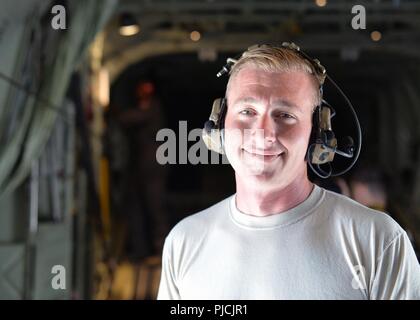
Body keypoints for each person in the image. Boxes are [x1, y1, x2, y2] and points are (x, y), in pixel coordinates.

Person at [157, 44, 420, 299]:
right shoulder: (184, 241)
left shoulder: (378, 241)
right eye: (247, 111)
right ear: (219, 124)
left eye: (285, 115)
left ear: (316, 132)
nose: (263, 133)